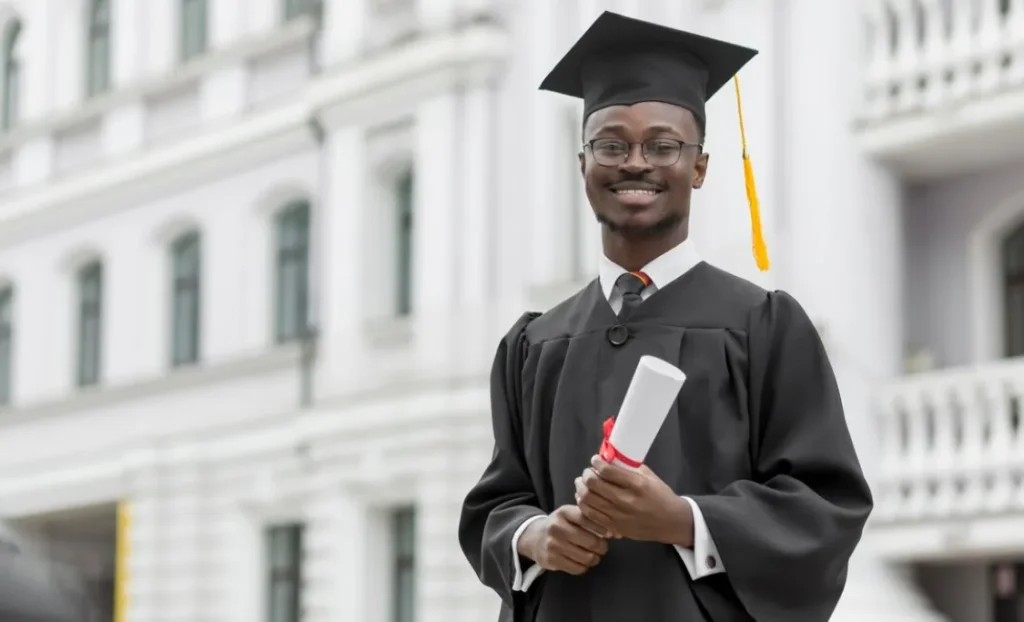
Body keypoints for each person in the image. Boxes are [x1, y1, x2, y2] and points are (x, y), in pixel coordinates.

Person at [457, 10, 873, 622]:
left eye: (662, 145)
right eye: (610, 144)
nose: (634, 162)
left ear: (699, 166)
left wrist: (682, 520)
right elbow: (497, 503)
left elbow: (824, 507)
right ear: (583, 166)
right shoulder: (534, 344)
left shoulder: (763, 326)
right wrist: (534, 537)